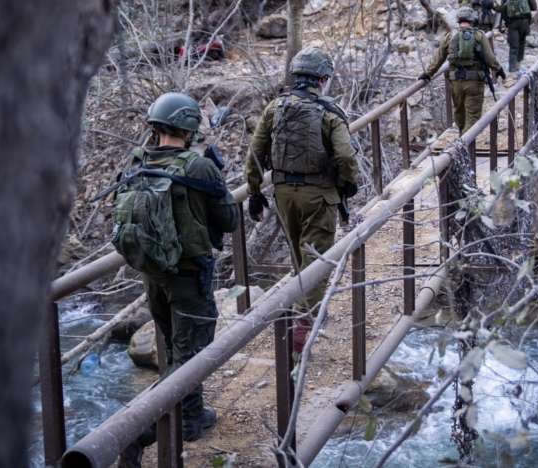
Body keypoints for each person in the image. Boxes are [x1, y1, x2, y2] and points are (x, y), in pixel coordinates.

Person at [117, 92, 240, 468]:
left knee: (177, 351)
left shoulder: (136, 162)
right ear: (188, 128)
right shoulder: (197, 167)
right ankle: (134, 433)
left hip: (152, 275)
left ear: (155, 126)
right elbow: (230, 222)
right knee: (189, 361)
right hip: (190, 278)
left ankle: (190, 418)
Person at [244, 47, 359, 360]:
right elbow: (346, 156)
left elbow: (255, 151)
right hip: (319, 195)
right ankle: (301, 332)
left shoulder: (275, 107)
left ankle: (304, 313)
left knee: (299, 252)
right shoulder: (329, 111)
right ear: (322, 79)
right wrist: (348, 184)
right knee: (317, 260)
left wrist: (255, 192)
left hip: (283, 193)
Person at [418, 6, 505, 136]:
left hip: (456, 83)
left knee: (460, 114)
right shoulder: (479, 35)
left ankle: (461, 143)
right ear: (472, 20)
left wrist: (427, 74)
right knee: (472, 119)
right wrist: (499, 70)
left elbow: (438, 59)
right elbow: (490, 58)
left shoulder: (449, 36)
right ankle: (465, 148)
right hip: (474, 83)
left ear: (459, 20)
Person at [501, 0, 537, 77]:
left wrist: (508, 22)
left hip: (513, 22)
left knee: (513, 46)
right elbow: (534, 7)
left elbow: (503, 10)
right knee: (522, 41)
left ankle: (512, 71)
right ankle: (518, 63)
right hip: (525, 21)